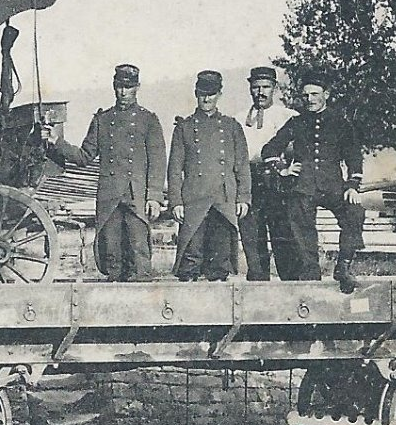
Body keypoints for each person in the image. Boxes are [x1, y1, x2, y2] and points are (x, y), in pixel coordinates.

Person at [46, 63, 166, 281]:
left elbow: (158, 162)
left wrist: (155, 197)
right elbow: (84, 156)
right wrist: (57, 142)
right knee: (111, 255)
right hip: (109, 197)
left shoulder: (148, 120)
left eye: (128, 87)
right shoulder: (102, 120)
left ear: (137, 87)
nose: (123, 92)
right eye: (119, 86)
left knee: (139, 256)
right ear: (114, 86)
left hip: (135, 196)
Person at [260, 72, 366, 293]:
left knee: (355, 211)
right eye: (306, 95)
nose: (310, 99)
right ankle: (311, 276)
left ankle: (344, 266)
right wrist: (283, 169)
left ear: (326, 94)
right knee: (300, 223)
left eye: (315, 94)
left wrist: (353, 185)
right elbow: (269, 149)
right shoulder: (296, 122)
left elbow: (354, 156)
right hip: (304, 187)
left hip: (333, 186)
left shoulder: (340, 123)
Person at [167, 70, 252, 282]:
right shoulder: (184, 128)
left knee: (220, 261)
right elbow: (175, 170)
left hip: (223, 201)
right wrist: (176, 201)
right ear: (196, 94)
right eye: (202, 93)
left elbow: (242, 166)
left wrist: (243, 198)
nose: (206, 98)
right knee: (191, 258)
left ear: (219, 94)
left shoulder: (232, 127)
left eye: (211, 94)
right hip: (194, 201)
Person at [240, 66, 299, 281]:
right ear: (250, 89)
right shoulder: (238, 120)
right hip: (251, 181)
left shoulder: (289, 116)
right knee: (254, 241)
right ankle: (257, 288)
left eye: (265, 87)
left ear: (274, 88)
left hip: (279, 184)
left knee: (284, 238)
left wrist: (288, 169)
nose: (260, 92)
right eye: (256, 87)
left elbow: (299, 150)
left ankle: (290, 290)